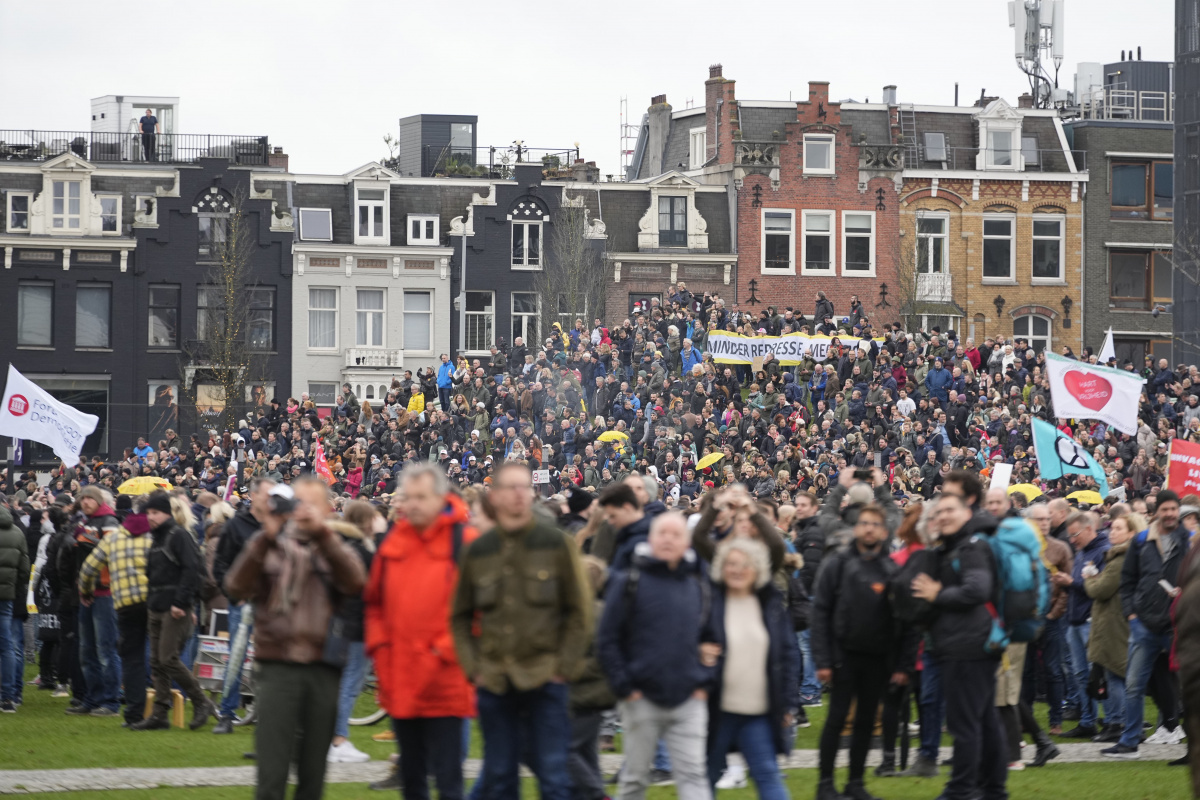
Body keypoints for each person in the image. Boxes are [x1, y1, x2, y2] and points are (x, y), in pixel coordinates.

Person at [451, 462, 591, 800]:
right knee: (500, 777)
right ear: (495, 497)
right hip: (495, 680)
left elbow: (580, 611)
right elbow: (459, 616)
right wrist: (475, 669)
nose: (518, 494)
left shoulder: (556, 544)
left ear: (532, 493)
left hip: (547, 678)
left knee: (554, 777)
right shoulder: (479, 550)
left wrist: (564, 668)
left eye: (523, 487)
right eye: (510, 488)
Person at [225, 478, 368, 800]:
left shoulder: (335, 547)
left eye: (311, 504)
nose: (301, 511)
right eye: (296, 502)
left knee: (312, 776)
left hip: (323, 666)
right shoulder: (268, 545)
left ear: (326, 509)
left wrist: (322, 534)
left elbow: (357, 582)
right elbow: (234, 587)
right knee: (271, 775)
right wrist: (266, 537)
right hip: (277, 666)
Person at [365, 464, 478, 798]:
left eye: (421, 497)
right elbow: (374, 605)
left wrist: (441, 651)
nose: (411, 504)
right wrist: (381, 649)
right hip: (401, 676)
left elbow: (482, 608)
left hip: (446, 680)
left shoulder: (466, 541)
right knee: (411, 778)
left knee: (448, 778)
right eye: (408, 497)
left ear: (440, 497)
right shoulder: (393, 542)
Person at [597, 511, 713, 800]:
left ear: (686, 542)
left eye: (676, 535)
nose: (668, 540)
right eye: (663, 533)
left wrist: (703, 683)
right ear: (651, 538)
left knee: (694, 776)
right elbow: (607, 640)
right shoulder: (628, 582)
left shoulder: (696, 585)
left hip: (688, 700)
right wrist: (625, 687)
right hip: (640, 700)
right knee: (635, 779)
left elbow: (713, 638)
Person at [911, 492, 1008, 800]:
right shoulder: (948, 548)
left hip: (969, 648)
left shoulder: (971, 547)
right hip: (962, 645)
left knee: (963, 725)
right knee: (983, 721)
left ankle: (961, 789)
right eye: (939, 512)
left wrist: (938, 594)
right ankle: (992, 789)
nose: (944, 516)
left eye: (951, 510)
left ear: (967, 513)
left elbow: (977, 590)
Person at [812, 503, 911, 800]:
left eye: (875, 524)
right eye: (864, 523)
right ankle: (825, 784)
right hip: (843, 656)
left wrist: (902, 665)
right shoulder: (838, 563)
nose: (869, 528)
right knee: (837, 719)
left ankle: (855, 782)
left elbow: (905, 620)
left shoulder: (891, 568)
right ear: (856, 527)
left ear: (884, 531)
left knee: (867, 721)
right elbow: (821, 612)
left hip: (879, 659)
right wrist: (823, 658)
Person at [705, 537, 797, 800]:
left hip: (758, 713)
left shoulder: (770, 605)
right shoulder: (709, 603)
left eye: (745, 564)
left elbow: (788, 655)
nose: (738, 569)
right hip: (716, 711)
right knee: (705, 777)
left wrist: (789, 703)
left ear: (757, 569)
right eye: (731, 564)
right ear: (722, 567)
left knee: (767, 775)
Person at [1105, 489, 1189, 759]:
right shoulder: (1141, 541)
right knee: (1134, 685)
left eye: (1173, 509)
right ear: (1157, 513)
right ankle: (1130, 742)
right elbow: (1127, 580)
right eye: (1165, 510)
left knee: (1191, 686)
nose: (1169, 514)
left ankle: (1192, 747)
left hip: (1178, 625)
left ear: (1178, 511)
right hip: (1145, 626)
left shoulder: (1190, 541)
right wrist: (1131, 614)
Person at [132, 491, 214, 731]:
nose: (150, 517)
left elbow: (192, 570)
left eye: (155, 512)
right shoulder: (156, 538)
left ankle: (201, 701)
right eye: (148, 513)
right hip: (156, 605)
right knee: (157, 661)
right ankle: (160, 713)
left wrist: (181, 603)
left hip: (173, 607)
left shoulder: (179, 535)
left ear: (167, 513)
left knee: (168, 658)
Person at [78, 506, 152, 727]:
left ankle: (133, 710)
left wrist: (86, 590)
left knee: (130, 658)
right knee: (155, 655)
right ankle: (161, 707)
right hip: (153, 602)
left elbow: (89, 568)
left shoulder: (114, 538)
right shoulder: (154, 538)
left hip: (124, 602)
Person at [211, 476, 274, 734]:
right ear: (254, 495)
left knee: (273, 662)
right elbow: (220, 566)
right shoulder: (236, 525)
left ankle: (270, 718)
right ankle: (226, 714)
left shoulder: (279, 525)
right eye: (268, 495)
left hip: (272, 605)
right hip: (244, 603)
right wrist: (234, 594)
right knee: (235, 658)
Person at [1083, 512, 1142, 745]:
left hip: (1115, 623)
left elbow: (1101, 590)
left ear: (1131, 533)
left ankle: (1117, 722)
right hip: (1114, 621)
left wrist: (1089, 577)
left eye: (1118, 528)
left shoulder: (1121, 558)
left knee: (1115, 674)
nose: (1112, 532)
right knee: (1115, 674)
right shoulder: (1119, 556)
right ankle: (1119, 721)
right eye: (1112, 527)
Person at [326, 499, 378, 763]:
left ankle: (333, 738)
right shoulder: (362, 550)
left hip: (342, 623)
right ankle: (338, 739)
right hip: (358, 624)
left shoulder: (341, 545)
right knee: (350, 684)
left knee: (343, 683)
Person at [1053, 511, 1110, 739]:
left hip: (1091, 621)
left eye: (1075, 534)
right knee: (1079, 674)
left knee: (1098, 674)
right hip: (1074, 620)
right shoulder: (1082, 551)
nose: (1072, 540)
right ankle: (1088, 721)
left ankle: (1112, 720)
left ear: (1088, 529)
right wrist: (1066, 583)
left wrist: (1072, 582)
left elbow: (1099, 587)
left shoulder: (1102, 551)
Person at [67, 486, 122, 717]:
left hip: (105, 593)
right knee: (87, 650)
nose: (86, 501)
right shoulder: (86, 522)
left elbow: (112, 555)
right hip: (86, 592)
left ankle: (110, 702)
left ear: (99, 501)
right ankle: (92, 698)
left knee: (105, 650)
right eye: (83, 498)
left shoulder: (109, 521)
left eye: (90, 498)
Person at [0, 502, 29, 713]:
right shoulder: (17, 532)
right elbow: (24, 569)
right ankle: (8, 697)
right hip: (7, 595)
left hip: (8, 593)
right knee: (7, 646)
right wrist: (14, 589)